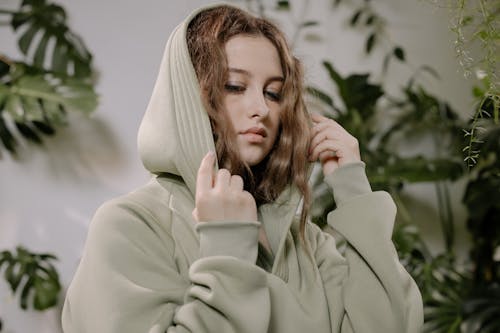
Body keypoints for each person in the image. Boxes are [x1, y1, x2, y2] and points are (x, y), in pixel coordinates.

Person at [61, 3, 423, 333]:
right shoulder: (130, 225)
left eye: (273, 93)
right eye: (235, 86)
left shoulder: (306, 241)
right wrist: (228, 247)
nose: (261, 109)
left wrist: (353, 191)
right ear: (189, 93)